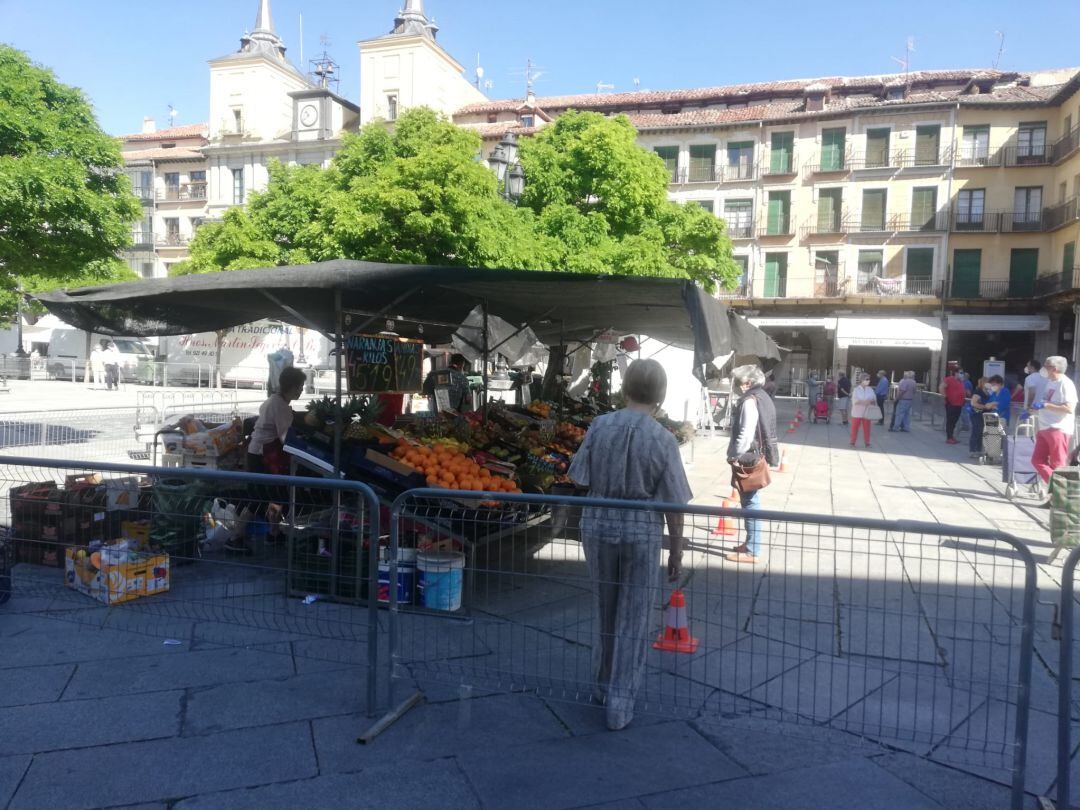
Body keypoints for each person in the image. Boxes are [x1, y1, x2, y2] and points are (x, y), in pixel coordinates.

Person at [566, 359, 693, 731]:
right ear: (661, 395)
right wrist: (676, 549)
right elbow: (674, 500)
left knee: (604, 609)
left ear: (625, 388)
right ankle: (620, 705)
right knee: (634, 616)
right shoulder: (663, 439)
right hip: (640, 530)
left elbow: (578, 476)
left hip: (598, 524)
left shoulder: (600, 425)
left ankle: (602, 685)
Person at [231, 366, 307, 554]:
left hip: (261, 454)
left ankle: (273, 533)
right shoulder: (279, 406)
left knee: (277, 495)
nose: (301, 390)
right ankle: (235, 538)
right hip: (261, 457)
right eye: (300, 387)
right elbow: (284, 437)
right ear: (292, 386)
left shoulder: (276, 401)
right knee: (258, 499)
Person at [726, 364, 779, 565]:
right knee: (750, 501)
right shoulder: (762, 396)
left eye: (740, 382)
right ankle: (750, 543)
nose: (739, 387)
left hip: (748, 457)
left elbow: (745, 434)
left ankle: (752, 550)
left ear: (748, 382)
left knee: (750, 503)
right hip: (758, 454)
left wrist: (733, 454)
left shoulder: (749, 401)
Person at [1030, 356, 1078, 495]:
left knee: (1058, 464)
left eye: (1047, 365)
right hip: (1045, 426)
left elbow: (1069, 408)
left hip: (1058, 428)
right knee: (1037, 460)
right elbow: (1047, 402)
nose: (1044, 367)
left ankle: (1062, 494)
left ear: (1054, 368)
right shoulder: (1050, 382)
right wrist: (1035, 409)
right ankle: (1059, 490)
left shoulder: (1066, 384)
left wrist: (1046, 405)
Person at [850, 374, 876, 448]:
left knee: (867, 428)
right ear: (862, 380)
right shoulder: (856, 389)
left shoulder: (870, 389)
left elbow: (874, 399)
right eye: (866, 379)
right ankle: (852, 441)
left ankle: (867, 442)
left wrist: (871, 401)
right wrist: (864, 402)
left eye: (869, 379)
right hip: (857, 412)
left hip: (867, 412)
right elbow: (854, 401)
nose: (868, 381)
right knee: (855, 428)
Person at [940, 369, 966, 444]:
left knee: (954, 421)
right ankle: (949, 437)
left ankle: (951, 436)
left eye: (962, 373)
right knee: (950, 421)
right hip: (951, 403)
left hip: (959, 404)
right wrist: (945, 397)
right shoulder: (949, 379)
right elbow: (941, 387)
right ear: (956, 373)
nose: (962, 374)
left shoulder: (960, 381)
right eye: (961, 373)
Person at [968, 377, 991, 457]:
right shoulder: (978, 391)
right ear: (983, 383)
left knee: (981, 432)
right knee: (976, 431)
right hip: (976, 414)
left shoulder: (987, 392)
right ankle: (972, 450)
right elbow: (973, 403)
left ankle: (978, 450)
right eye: (988, 382)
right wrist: (985, 406)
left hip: (983, 415)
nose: (989, 384)